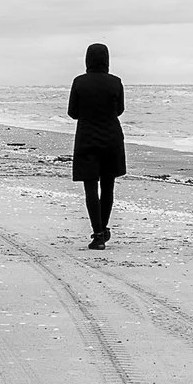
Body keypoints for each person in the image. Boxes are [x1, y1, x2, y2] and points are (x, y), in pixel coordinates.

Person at [68, 42, 125, 250]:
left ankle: (98, 234)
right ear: (107, 59)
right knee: (108, 186)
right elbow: (120, 110)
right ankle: (103, 229)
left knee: (90, 187)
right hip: (111, 138)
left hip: (87, 138)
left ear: (87, 59)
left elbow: (72, 112)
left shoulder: (79, 82)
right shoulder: (116, 82)